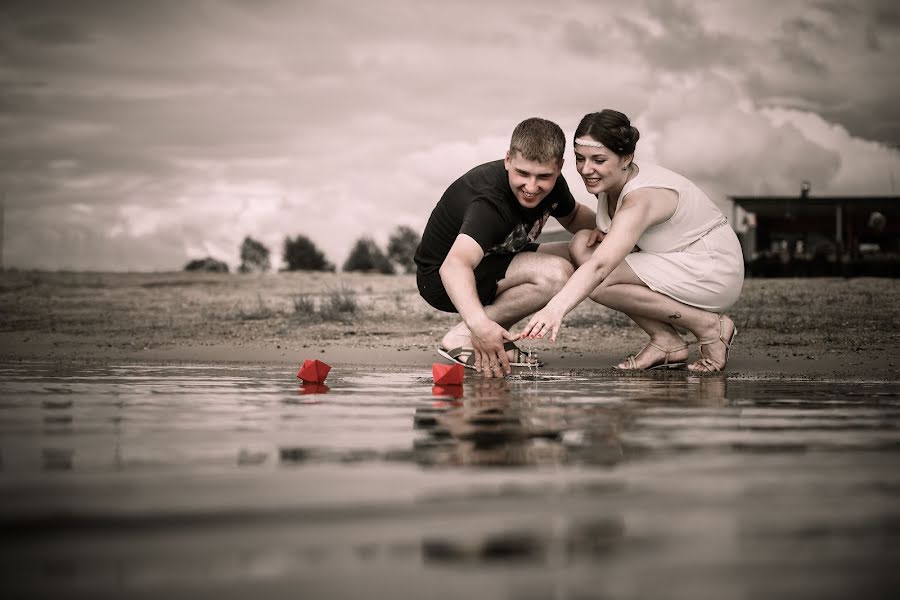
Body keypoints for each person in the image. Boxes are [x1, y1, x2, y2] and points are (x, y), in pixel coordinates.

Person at [518, 110, 744, 372]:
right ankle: (666, 341)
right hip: (675, 259)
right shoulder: (611, 181)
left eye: (598, 160)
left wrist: (554, 309)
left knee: (598, 279)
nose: (586, 169)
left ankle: (709, 327)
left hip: (712, 266)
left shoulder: (641, 198)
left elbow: (601, 266)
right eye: (580, 159)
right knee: (582, 243)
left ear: (626, 158)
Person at [414, 117, 597, 378]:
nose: (532, 187)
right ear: (508, 159)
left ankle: (496, 335)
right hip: (443, 279)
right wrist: (479, 325)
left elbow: (573, 215)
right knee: (555, 274)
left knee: (584, 252)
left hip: (496, 260)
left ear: (559, 168)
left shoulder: (554, 186)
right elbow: (454, 266)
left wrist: (615, 232)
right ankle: (464, 337)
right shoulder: (489, 203)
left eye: (543, 176)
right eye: (522, 174)